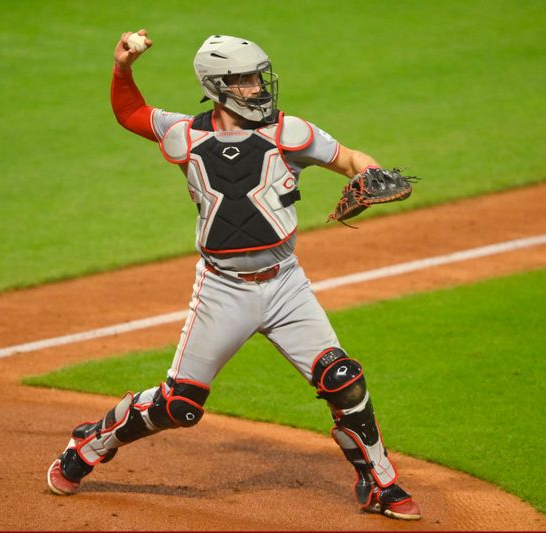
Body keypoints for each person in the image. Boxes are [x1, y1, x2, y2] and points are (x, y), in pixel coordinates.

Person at [46, 29, 421, 521]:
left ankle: (379, 483)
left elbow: (349, 157)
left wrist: (368, 174)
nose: (258, 88)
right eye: (244, 80)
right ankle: (93, 442)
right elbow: (130, 113)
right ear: (217, 85)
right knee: (179, 405)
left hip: (285, 283)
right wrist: (123, 69)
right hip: (223, 288)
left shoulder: (290, 133)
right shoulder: (186, 134)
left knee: (343, 379)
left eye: (258, 77)